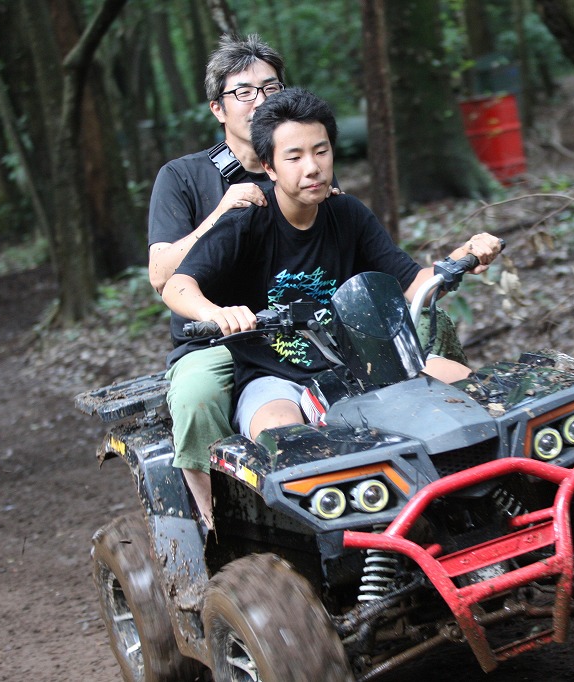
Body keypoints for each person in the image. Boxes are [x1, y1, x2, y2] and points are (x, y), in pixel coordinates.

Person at [162, 88, 503, 448]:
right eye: (294, 157)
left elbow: (413, 284)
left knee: (467, 387)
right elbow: (176, 286)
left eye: (321, 151)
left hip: (360, 362)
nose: (312, 167)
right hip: (273, 377)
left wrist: (460, 258)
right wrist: (217, 313)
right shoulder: (245, 223)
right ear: (269, 167)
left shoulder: (348, 213)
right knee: (281, 435)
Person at [147, 34, 296, 530]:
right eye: (244, 92)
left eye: (270, 88)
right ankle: (222, 529)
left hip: (297, 330)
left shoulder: (301, 163)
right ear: (218, 108)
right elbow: (160, 274)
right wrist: (220, 214)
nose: (260, 101)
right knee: (195, 397)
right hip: (214, 338)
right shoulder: (183, 177)